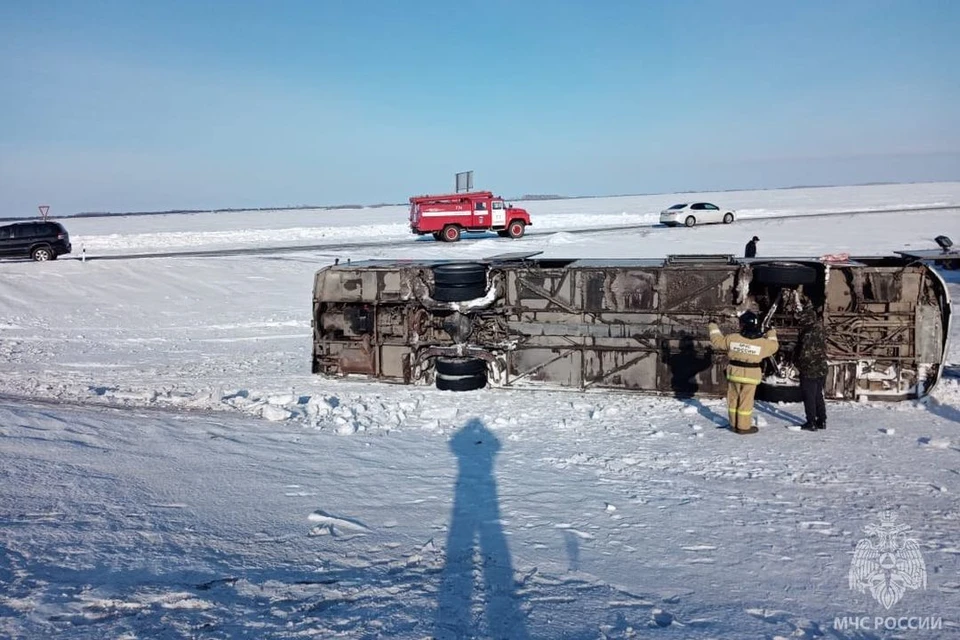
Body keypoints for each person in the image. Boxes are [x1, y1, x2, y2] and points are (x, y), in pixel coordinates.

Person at [708, 311, 779, 434]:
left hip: (734, 374)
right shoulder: (762, 343)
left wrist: (712, 325)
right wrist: (771, 332)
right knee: (746, 401)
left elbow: (717, 341)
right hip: (751, 376)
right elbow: (774, 346)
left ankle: (733, 424)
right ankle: (743, 427)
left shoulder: (733, 338)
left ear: (743, 325)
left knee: (733, 399)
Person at [795, 306, 828, 430]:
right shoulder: (820, 330)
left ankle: (811, 422)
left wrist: (798, 364)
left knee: (809, 396)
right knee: (818, 395)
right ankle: (822, 420)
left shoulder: (807, 333)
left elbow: (805, 354)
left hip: (809, 369)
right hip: (821, 368)